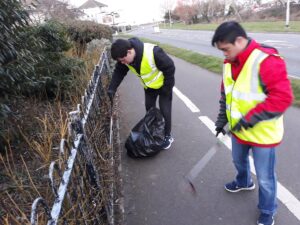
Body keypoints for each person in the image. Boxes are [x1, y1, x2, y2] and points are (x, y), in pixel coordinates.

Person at [212, 21, 293, 225]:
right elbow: (226, 94)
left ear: (239, 41)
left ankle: (268, 210)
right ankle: (244, 181)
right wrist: (222, 120)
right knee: (238, 161)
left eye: (226, 49)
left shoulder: (267, 60)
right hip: (239, 131)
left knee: (265, 178)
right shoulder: (229, 62)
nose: (224, 54)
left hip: (262, 135)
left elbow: (282, 98)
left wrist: (249, 119)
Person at [107, 37, 175, 149]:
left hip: (164, 87)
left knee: (165, 111)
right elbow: (119, 72)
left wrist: (167, 88)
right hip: (149, 88)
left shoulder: (154, 52)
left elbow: (170, 67)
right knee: (149, 109)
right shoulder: (125, 58)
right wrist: (112, 88)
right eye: (120, 61)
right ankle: (154, 131)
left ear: (129, 51)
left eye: (123, 60)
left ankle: (167, 136)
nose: (122, 62)